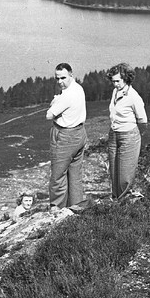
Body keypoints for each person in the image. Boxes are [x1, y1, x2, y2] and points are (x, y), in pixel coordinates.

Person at [45, 62, 88, 213]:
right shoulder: (78, 88)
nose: (59, 82)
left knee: (58, 174)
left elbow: (49, 114)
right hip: (79, 133)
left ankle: (57, 208)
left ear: (71, 75)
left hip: (65, 135)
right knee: (75, 173)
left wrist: (55, 101)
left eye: (63, 78)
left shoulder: (66, 96)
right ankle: (76, 207)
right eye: (57, 78)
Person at [106, 63, 148, 201]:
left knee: (125, 176)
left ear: (126, 78)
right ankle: (115, 203)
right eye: (113, 81)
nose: (115, 84)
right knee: (114, 173)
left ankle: (124, 206)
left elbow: (143, 120)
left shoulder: (133, 96)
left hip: (128, 135)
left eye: (118, 81)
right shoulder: (115, 92)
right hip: (113, 135)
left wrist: (133, 136)